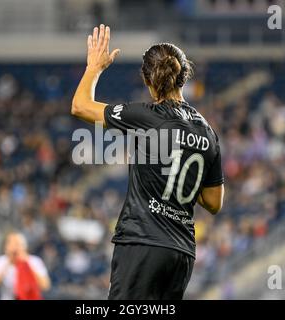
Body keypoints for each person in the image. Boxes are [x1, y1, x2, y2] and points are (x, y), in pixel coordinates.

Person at [71, 24, 224, 299]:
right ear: (183, 78)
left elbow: (80, 106)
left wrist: (94, 66)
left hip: (142, 243)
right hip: (181, 253)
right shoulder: (208, 132)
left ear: (148, 81)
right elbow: (213, 203)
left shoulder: (146, 116)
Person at [0, 232, 50, 300]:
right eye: (10, 244)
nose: (14, 248)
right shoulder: (0, 261)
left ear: (24, 246)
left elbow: (45, 286)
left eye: (17, 244)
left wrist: (27, 263)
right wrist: (7, 264)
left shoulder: (34, 261)